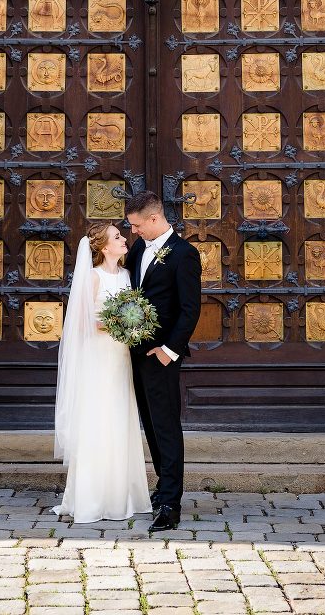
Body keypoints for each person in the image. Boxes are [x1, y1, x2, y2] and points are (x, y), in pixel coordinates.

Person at [53, 222, 152, 524]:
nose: (125, 239)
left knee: (119, 418)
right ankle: (92, 498)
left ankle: (121, 495)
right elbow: (82, 321)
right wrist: (118, 323)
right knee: (98, 420)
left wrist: (133, 323)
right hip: (98, 357)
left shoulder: (126, 276)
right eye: (118, 237)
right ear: (104, 247)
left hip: (121, 357)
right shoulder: (93, 278)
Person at [124, 191, 202, 532]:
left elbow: (190, 309)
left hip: (162, 356)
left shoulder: (185, 254)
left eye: (137, 225)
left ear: (155, 219)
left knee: (167, 427)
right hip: (134, 352)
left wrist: (169, 350)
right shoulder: (139, 250)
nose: (134, 232)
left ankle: (171, 503)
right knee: (151, 426)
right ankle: (161, 488)